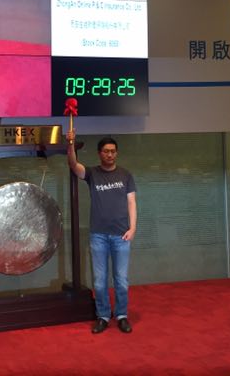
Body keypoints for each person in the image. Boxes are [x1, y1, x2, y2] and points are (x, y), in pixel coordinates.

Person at [66, 130, 137, 334]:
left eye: (113, 151)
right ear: (100, 153)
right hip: (98, 235)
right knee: (99, 281)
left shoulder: (126, 175)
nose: (110, 154)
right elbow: (74, 165)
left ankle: (121, 315)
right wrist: (70, 144)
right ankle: (103, 316)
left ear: (117, 153)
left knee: (121, 280)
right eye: (106, 151)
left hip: (121, 235)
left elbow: (132, 203)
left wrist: (133, 228)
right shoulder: (92, 174)